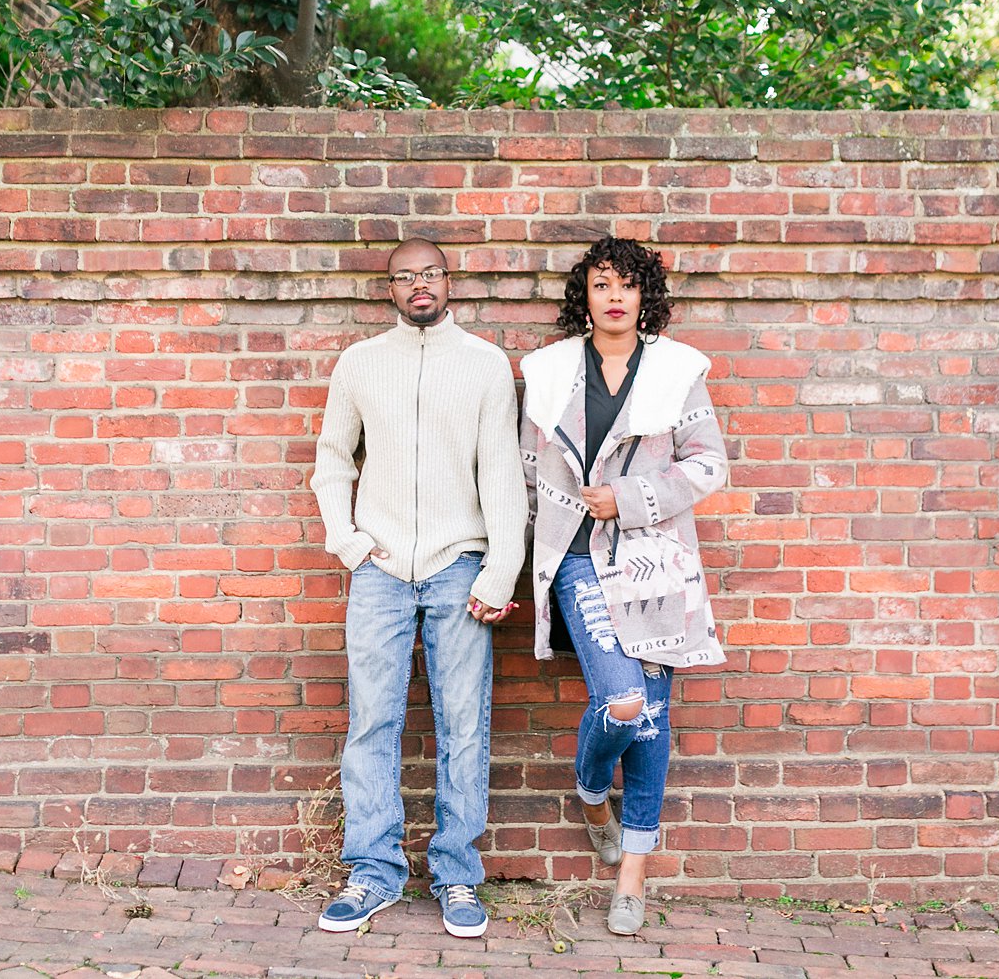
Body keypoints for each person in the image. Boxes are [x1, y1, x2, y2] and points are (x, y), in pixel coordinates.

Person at [310, 238, 526, 939]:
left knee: (465, 725)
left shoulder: (486, 364)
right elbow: (332, 460)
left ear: (448, 280)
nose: (418, 286)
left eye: (429, 274)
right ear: (390, 289)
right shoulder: (361, 362)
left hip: (460, 565)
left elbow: (500, 474)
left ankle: (457, 874)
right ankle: (372, 872)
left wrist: (501, 569)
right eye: (404, 277)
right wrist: (348, 542)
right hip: (378, 570)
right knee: (372, 722)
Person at [518, 237, 728, 937]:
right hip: (576, 558)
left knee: (654, 723)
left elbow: (706, 466)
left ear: (645, 297)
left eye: (628, 285)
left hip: (654, 562)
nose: (615, 296)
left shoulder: (676, 371)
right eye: (602, 282)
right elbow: (526, 475)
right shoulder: (548, 374)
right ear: (586, 293)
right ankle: (589, 793)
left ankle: (631, 878)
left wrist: (629, 497)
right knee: (624, 700)